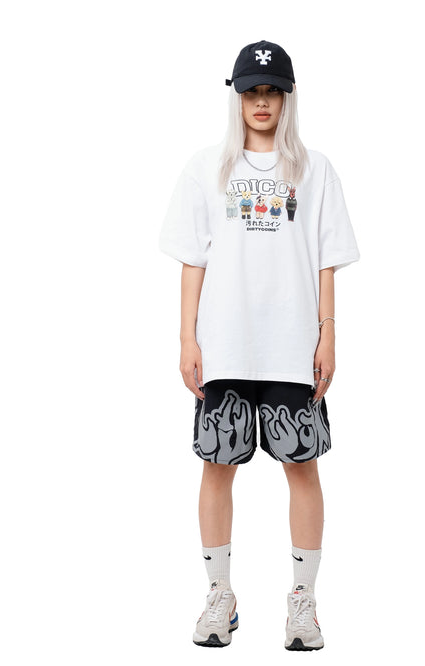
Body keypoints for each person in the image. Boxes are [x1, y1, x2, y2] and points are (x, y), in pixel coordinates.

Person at [159, 40, 360, 651]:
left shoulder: (315, 170)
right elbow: (192, 261)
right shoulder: (207, 168)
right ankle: (219, 595)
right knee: (216, 467)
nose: (262, 102)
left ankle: (304, 603)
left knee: (303, 466)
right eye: (252, 91)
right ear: (237, 97)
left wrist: (328, 333)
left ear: (288, 97)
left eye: (272, 91)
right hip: (225, 345)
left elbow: (326, 260)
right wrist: (188, 338)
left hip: (291, 346)